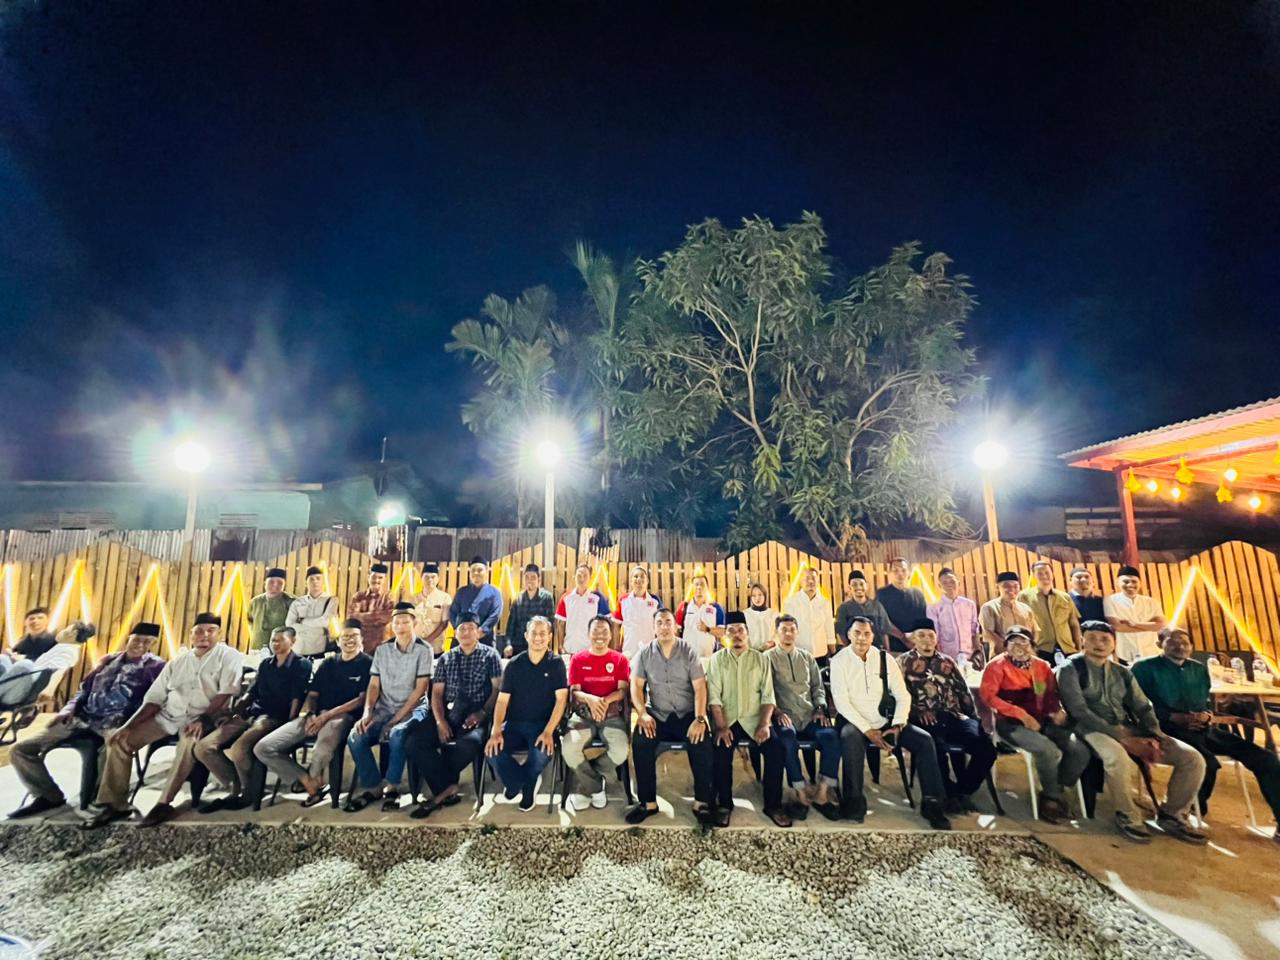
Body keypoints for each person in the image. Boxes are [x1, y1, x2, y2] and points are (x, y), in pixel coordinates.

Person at [82, 613, 244, 830]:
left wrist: (203, 719)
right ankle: (114, 804)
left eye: (210, 631)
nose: (204, 635)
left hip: (204, 718)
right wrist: (128, 726)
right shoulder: (179, 661)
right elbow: (154, 699)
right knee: (120, 740)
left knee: (188, 742)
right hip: (169, 716)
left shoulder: (228, 656)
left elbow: (225, 693)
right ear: (191, 635)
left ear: (219, 634)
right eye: (199, 631)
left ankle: (164, 803)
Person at [1056, 620, 1207, 844]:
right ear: (1082, 641)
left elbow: (1142, 705)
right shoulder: (1070, 669)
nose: (1099, 644)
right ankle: (1127, 814)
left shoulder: (1121, 672)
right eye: (1092, 638)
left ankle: (1172, 815)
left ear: (1114, 643)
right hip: (1089, 729)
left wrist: (1155, 734)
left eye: (1105, 639)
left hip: (1127, 727)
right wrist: (1120, 736)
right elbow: (1078, 710)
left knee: (1192, 759)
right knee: (1117, 757)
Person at [1132, 627, 1280, 841]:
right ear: (1159, 644)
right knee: (1206, 762)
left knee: (1265, 758)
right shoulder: (1144, 668)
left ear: (1192, 647)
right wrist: (1173, 717)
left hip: (1203, 729)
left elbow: (1206, 702)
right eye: (1173, 641)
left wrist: (1207, 715)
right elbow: (1138, 705)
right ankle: (1180, 812)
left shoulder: (1199, 669)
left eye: (1185, 642)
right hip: (1166, 729)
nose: (1180, 646)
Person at [9, 623, 165, 819]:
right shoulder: (108, 660)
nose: (140, 644)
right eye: (136, 639)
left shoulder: (156, 666)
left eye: (147, 641)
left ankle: (107, 803)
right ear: (129, 638)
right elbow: (84, 689)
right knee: (20, 750)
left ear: (153, 644)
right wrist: (67, 710)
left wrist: (130, 725)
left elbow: (154, 700)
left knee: (113, 748)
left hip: (116, 723)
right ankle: (48, 795)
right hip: (82, 718)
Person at [831, 617, 950, 829]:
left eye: (866, 634)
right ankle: (854, 801)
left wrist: (897, 725)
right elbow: (842, 703)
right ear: (848, 635)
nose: (861, 638)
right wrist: (868, 731)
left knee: (924, 741)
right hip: (856, 722)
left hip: (887, 721)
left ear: (872, 636)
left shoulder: (885, 659)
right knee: (849, 738)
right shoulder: (839, 661)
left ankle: (932, 803)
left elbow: (903, 696)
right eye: (857, 633)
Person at [253, 618, 372, 807]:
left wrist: (327, 716)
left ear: (361, 640)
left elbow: (361, 700)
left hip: (343, 717)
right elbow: (312, 695)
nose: (349, 640)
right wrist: (308, 714)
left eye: (354, 636)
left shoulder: (367, 663)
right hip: (316, 716)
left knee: (321, 750)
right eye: (345, 636)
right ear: (338, 641)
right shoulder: (328, 663)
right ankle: (308, 781)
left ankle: (313, 781)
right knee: (263, 747)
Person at [979, 626, 1090, 823]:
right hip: (1011, 724)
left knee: (1079, 749)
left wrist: (1056, 711)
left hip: (1042, 720)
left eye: (1024, 642)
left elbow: (1050, 695)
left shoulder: (1042, 666)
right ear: (1006, 646)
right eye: (1013, 642)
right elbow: (988, 697)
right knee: (1047, 750)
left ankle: (1056, 787)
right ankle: (1051, 798)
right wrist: (1021, 714)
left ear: (1032, 646)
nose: (1019, 647)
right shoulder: (996, 666)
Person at [195, 625, 312, 811]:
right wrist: (234, 713)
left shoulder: (301, 664)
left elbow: (296, 697)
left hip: (274, 717)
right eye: (273, 640)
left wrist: (290, 722)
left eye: (280, 640)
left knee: (239, 749)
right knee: (203, 748)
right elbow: (252, 691)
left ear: (293, 641)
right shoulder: (266, 664)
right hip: (251, 714)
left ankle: (248, 793)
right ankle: (237, 786)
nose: (275, 643)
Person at [406, 612, 502, 818]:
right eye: (461, 629)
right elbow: (437, 694)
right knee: (414, 741)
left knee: (468, 744)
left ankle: (441, 790)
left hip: (476, 714)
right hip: (448, 712)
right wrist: (440, 722)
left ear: (478, 632)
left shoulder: (490, 655)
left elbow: (497, 689)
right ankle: (447, 788)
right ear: (456, 633)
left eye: (470, 628)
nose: (466, 632)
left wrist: (482, 713)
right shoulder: (446, 658)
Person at [897, 618, 997, 813]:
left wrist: (973, 718)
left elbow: (963, 691)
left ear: (936, 639)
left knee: (986, 748)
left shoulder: (947, 662)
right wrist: (917, 711)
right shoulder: (903, 662)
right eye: (921, 636)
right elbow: (899, 693)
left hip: (953, 715)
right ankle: (948, 794)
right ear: (913, 639)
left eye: (930, 636)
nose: (926, 640)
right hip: (924, 717)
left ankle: (963, 790)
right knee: (936, 749)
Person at [628, 608, 715, 825]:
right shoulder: (644, 654)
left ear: (676, 626)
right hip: (657, 715)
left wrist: (700, 718)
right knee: (640, 741)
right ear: (654, 628)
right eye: (659, 623)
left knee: (702, 741)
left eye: (668, 622)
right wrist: (642, 714)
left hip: (687, 715)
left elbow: (700, 688)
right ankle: (648, 803)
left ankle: (702, 802)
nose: (664, 627)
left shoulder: (688, 651)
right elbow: (636, 687)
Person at [344, 602, 432, 812]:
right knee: (356, 737)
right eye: (397, 622)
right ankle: (373, 786)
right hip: (384, 708)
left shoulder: (424, 649)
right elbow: (374, 685)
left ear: (414, 624)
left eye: (405, 622)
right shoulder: (382, 650)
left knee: (397, 734)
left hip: (414, 710)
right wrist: (367, 713)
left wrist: (394, 721)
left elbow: (420, 690)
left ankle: (392, 786)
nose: (400, 626)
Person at [708, 611, 789, 827]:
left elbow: (768, 696)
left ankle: (773, 805)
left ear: (747, 633)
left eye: (740, 630)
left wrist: (764, 724)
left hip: (755, 721)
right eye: (731, 631)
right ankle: (724, 804)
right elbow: (714, 698)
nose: (736, 634)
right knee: (720, 749)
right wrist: (721, 726)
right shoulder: (717, 661)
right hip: (728, 721)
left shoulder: (761, 659)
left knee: (776, 749)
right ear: (725, 635)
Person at [484, 616, 569, 811]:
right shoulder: (514, 664)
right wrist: (496, 730)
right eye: (534, 633)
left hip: (543, 725)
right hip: (514, 724)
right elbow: (502, 700)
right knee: (492, 751)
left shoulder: (556, 664)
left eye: (542, 633)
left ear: (549, 637)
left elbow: (561, 700)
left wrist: (548, 731)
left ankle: (520, 784)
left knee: (541, 754)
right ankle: (523, 782)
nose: (538, 638)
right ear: (526, 636)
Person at [765, 613, 838, 819]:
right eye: (784, 630)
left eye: (792, 630)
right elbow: (765, 690)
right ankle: (800, 790)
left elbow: (817, 687)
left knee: (831, 737)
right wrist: (776, 711)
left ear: (797, 632)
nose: (788, 634)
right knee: (787, 741)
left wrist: (820, 708)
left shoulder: (807, 657)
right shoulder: (768, 658)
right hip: (784, 715)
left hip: (809, 714)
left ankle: (822, 791)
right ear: (776, 633)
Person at [564, 615, 631, 811]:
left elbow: (622, 691)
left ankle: (587, 784)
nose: (600, 636)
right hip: (583, 716)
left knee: (620, 751)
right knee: (569, 749)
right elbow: (574, 692)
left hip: (611, 717)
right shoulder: (578, 659)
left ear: (611, 635)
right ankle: (596, 785)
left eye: (604, 632)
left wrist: (604, 702)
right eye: (595, 631)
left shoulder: (620, 660)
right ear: (588, 634)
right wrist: (591, 700)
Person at [1019, 561, 1082, 662]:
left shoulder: (1065, 597)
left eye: (1047, 572)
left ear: (1052, 574)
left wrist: (1078, 648)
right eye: (1040, 573)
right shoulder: (1024, 597)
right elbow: (1022, 626)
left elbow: (1074, 624)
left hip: (1068, 649)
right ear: (1034, 576)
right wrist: (1030, 650)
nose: (1044, 576)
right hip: (1041, 650)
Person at [1104, 565, 1166, 664]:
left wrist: (1135, 624)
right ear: (1117, 582)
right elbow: (1117, 626)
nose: (1130, 585)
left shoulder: (1152, 602)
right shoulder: (1110, 601)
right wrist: (1149, 626)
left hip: (1152, 652)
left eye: (1134, 581)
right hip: (1125, 653)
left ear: (1140, 583)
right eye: (1126, 581)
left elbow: (1160, 626)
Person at [926, 568, 981, 666]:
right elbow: (934, 634)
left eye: (952, 581)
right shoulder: (934, 608)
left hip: (969, 656)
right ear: (939, 586)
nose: (949, 585)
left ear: (958, 583)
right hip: (946, 657)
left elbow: (974, 630)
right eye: (945, 583)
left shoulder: (969, 604)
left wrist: (977, 652)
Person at [556, 562, 612, 655]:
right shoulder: (566, 598)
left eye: (585, 575)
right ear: (574, 577)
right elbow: (561, 624)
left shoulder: (597, 598)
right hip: (569, 649)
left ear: (590, 578)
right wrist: (560, 646)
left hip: (590, 651)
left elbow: (607, 625)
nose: (582, 578)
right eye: (579, 575)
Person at [782, 568, 835, 662]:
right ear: (801, 582)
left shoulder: (825, 603)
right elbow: (787, 628)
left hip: (821, 653)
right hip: (798, 653)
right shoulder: (791, 602)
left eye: (813, 578)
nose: (810, 581)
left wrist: (833, 650)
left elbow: (829, 627)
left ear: (818, 582)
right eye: (807, 578)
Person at [979, 572, 1037, 658]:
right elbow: (988, 633)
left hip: (1026, 656)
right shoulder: (989, 607)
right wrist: (1011, 649)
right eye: (1006, 586)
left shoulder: (1026, 609)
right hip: (1001, 657)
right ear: (998, 587)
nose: (1012, 589)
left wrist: (1030, 648)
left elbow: (1035, 631)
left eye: (1015, 586)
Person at [503, 563, 555, 659]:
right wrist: (508, 644)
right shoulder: (518, 599)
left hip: (538, 645)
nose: (529, 580)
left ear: (539, 580)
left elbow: (550, 624)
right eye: (527, 577)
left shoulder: (547, 598)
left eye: (533, 577)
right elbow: (510, 626)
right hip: (518, 646)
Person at [449, 558, 504, 648]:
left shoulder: (494, 593)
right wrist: (459, 630)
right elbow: (453, 612)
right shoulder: (462, 592)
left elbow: (495, 615)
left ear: (486, 572)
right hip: (462, 639)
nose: (476, 573)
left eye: (479, 570)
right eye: (473, 570)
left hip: (484, 639)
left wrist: (479, 632)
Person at [875, 558, 927, 653]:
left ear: (909, 573)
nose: (900, 574)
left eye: (903, 570)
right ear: (889, 573)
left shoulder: (918, 594)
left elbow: (923, 620)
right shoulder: (882, 594)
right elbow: (882, 622)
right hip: (892, 647)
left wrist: (915, 639)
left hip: (915, 646)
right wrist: (903, 638)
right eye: (895, 570)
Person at [834, 571, 893, 651]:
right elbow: (841, 632)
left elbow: (884, 631)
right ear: (849, 587)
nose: (858, 587)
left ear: (866, 586)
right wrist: (850, 650)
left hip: (876, 650)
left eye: (861, 584)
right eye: (854, 585)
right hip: (855, 651)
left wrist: (887, 650)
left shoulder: (877, 606)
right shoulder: (844, 608)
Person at [612, 565, 663, 658]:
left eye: (642, 576)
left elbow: (661, 624)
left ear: (647, 581)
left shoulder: (655, 600)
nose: (639, 579)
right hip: (629, 651)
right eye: (635, 576)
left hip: (649, 652)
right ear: (631, 581)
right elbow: (616, 626)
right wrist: (617, 649)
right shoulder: (623, 600)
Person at [287, 565, 338, 658]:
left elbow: (325, 621)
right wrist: (316, 627)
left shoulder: (331, 600)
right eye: (311, 579)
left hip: (320, 650)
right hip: (299, 650)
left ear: (323, 582)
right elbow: (289, 625)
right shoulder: (297, 602)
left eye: (318, 578)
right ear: (306, 582)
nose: (315, 582)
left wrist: (301, 621)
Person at [348, 562, 396, 655]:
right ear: (368, 577)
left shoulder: (389, 597)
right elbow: (352, 617)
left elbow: (388, 617)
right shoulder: (358, 596)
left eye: (380, 578)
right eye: (374, 577)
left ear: (385, 579)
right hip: (360, 645)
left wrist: (361, 616)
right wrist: (377, 617)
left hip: (382, 645)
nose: (376, 580)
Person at [675, 574, 726, 658]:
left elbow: (722, 632)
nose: (699, 587)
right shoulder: (683, 607)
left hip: (709, 658)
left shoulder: (715, 607)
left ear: (707, 588)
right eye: (696, 584)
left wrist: (707, 629)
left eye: (702, 584)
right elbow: (676, 632)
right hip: (687, 658)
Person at [247, 568, 293, 650]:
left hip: (282, 650)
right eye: (271, 582)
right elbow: (250, 620)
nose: (275, 585)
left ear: (284, 585)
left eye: (280, 583)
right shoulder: (255, 602)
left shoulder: (292, 602)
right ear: (265, 583)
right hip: (257, 648)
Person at [413, 562, 453, 655]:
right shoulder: (413, 598)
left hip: (436, 648)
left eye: (433, 577)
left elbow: (444, 623)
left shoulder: (445, 598)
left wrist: (426, 641)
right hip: (415, 646)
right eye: (426, 577)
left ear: (438, 579)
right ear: (421, 578)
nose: (430, 580)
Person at [742, 583, 778, 652]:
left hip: (770, 652)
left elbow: (778, 633)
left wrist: (773, 642)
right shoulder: (745, 614)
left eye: (760, 595)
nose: (757, 598)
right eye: (754, 595)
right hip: (751, 653)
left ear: (765, 595)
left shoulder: (774, 614)